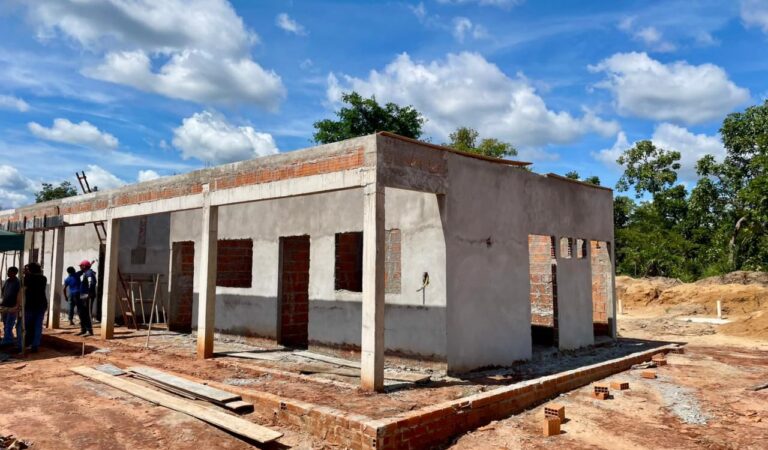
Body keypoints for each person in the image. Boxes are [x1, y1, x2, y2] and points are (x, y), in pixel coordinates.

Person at [23, 262, 48, 353]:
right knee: (38, 325)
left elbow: (23, 290)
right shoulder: (43, 278)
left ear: (30, 270)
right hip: (41, 304)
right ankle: (35, 345)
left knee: (28, 325)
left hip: (30, 304)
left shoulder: (27, 278)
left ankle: (27, 342)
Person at [0, 267, 20, 347]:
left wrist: (16, 305)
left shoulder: (17, 282)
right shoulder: (8, 281)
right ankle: (9, 338)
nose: (8, 273)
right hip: (5, 305)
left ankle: (7, 341)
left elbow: (18, 295)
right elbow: (3, 291)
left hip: (12, 306)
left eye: (9, 272)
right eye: (8, 271)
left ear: (14, 273)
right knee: (5, 323)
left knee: (9, 324)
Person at [77, 260, 95, 336]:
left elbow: (91, 283)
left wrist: (89, 294)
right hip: (83, 295)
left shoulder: (89, 273)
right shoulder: (85, 273)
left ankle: (89, 331)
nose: (80, 267)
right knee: (81, 313)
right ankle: (83, 329)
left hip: (87, 296)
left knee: (87, 313)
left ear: (84, 266)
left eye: (81, 266)